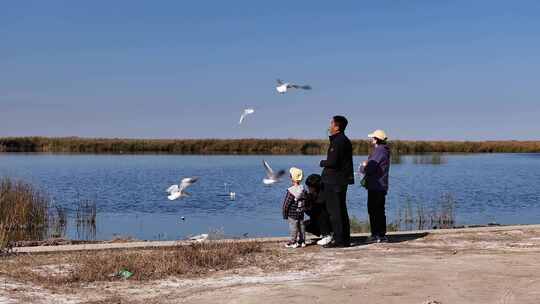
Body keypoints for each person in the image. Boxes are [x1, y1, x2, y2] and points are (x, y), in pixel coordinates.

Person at [319, 115, 354, 248]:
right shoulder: (344, 140)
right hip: (340, 181)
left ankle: (339, 240)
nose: (330, 126)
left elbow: (333, 162)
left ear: (337, 127)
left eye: (331, 124)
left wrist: (323, 162)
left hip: (334, 182)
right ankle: (344, 239)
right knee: (341, 210)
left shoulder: (338, 141)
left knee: (335, 212)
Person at [360, 129, 390, 243]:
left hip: (376, 186)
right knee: (379, 210)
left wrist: (363, 166)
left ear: (377, 139)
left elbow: (369, 168)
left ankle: (375, 235)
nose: (371, 139)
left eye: (373, 137)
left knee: (373, 210)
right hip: (381, 186)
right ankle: (381, 235)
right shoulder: (384, 150)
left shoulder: (379, 151)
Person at [281, 167, 307, 248]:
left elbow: (286, 204)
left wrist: (284, 214)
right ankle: (302, 241)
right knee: (301, 226)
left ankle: (293, 242)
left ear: (291, 177)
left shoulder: (290, 191)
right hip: (301, 212)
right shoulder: (303, 189)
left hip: (292, 213)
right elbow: (305, 200)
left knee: (293, 227)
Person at [303, 173, 332, 240]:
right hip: (318, 221)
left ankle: (326, 235)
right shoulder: (313, 195)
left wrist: (304, 208)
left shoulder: (321, 198)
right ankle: (324, 234)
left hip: (325, 222)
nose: (308, 188)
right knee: (301, 225)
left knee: (320, 215)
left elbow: (313, 212)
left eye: (309, 187)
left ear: (315, 187)